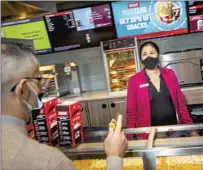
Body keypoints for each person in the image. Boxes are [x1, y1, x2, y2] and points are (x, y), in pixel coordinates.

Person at [1, 41, 128, 170]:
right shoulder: (49, 161)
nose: (41, 89)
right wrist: (114, 156)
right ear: (22, 90)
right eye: (38, 81)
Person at [126, 41, 196, 139]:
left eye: (152, 53)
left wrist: (191, 129)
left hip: (173, 132)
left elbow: (180, 104)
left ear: (158, 54)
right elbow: (131, 112)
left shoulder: (170, 74)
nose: (149, 57)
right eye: (144, 54)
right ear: (141, 58)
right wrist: (129, 137)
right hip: (147, 136)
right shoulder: (134, 81)